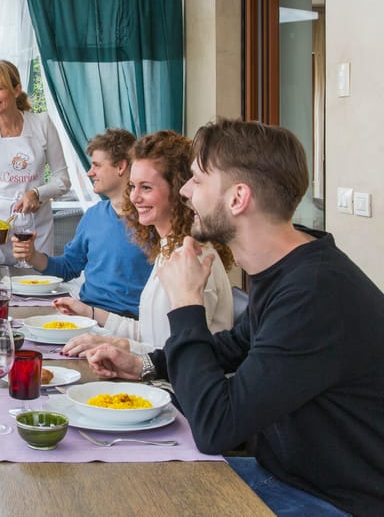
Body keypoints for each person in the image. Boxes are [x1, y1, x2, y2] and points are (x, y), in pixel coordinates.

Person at [86, 119, 384, 515]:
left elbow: (216, 427)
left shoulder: (313, 292)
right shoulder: (291, 267)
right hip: (282, 474)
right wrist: (144, 364)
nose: (186, 191)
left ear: (238, 198)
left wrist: (187, 303)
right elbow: (235, 346)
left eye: (197, 180)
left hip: (332, 501)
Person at [59, 131, 233, 355]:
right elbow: (149, 333)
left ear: (179, 189)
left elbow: (179, 356)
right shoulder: (168, 247)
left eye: (146, 187)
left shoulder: (194, 258)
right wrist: (89, 312)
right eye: (133, 186)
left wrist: (115, 344)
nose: (134, 197)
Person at [11, 128, 151, 317]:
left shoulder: (151, 220)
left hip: (128, 325)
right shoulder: (93, 216)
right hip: (85, 316)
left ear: (121, 166)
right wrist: (32, 255)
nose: (89, 173)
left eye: (96, 165)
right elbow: (68, 267)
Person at [0, 60, 70, 264]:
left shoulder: (42, 125)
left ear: (16, 89)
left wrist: (37, 193)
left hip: (35, 228)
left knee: (38, 284)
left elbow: (62, 180)